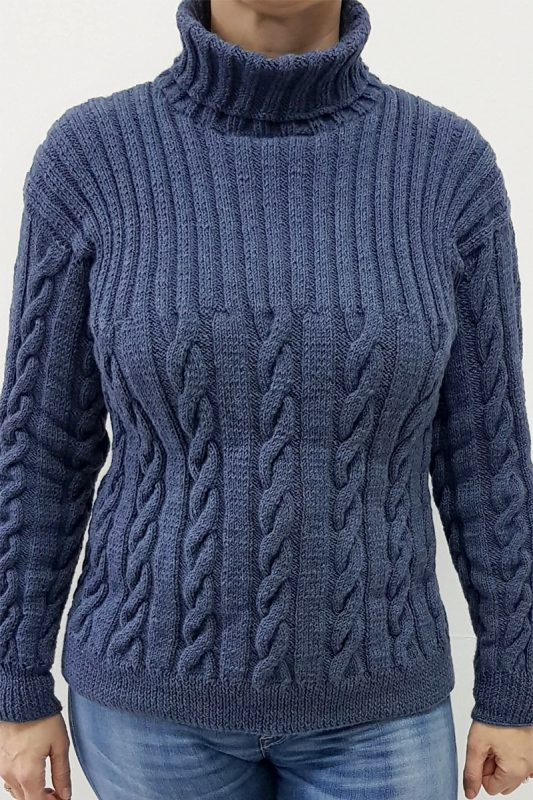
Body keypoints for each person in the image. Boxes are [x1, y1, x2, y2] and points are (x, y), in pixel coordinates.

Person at [0, 0, 532, 797]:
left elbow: (486, 456)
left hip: (380, 707)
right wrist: (15, 681)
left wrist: (514, 683)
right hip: (146, 707)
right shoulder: (92, 158)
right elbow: (42, 444)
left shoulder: (446, 168)